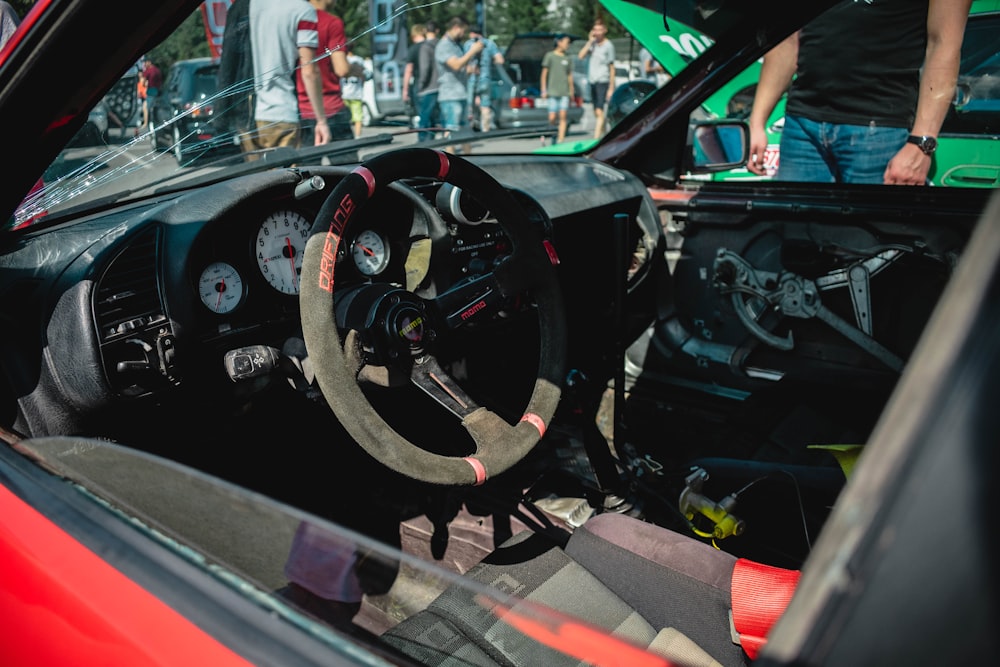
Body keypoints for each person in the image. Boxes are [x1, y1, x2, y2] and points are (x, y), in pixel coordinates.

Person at [747, 0, 971, 185]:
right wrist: (757, 122)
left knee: (867, 236)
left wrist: (922, 143)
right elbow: (787, 40)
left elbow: (944, 44)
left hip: (880, 132)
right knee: (796, 234)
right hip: (802, 126)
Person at [248, 0, 330, 152]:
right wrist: (321, 121)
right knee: (285, 176)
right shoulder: (302, 10)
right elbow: (309, 70)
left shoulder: (250, 4)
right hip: (281, 114)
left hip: (246, 117)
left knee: (255, 176)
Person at [296, 0, 352, 145]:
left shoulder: (294, 20)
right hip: (331, 108)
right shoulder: (331, 22)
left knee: (307, 167)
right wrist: (356, 70)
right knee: (345, 166)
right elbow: (342, 69)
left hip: (300, 111)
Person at [216, 0, 255, 151]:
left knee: (258, 167)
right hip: (285, 102)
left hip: (246, 102)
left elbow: (228, 64)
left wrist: (221, 116)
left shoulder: (239, 10)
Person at [578, 18, 616, 139]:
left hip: (602, 79)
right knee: (596, 111)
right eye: (595, 29)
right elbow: (580, 56)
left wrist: (611, 87)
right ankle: (605, 133)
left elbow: (612, 67)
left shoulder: (608, 46)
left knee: (599, 110)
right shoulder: (593, 44)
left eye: (600, 29)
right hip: (592, 80)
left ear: (604, 30)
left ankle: (596, 138)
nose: (597, 32)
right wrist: (590, 41)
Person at [463, 25, 504, 132]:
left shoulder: (468, 44)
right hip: (486, 79)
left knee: (470, 104)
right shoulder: (490, 43)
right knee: (485, 104)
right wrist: (491, 64)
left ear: (472, 33)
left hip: (471, 79)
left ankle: (470, 127)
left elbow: (463, 61)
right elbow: (500, 60)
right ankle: (485, 129)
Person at [541, 34, 575, 144]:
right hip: (552, 92)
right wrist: (543, 90)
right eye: (566, 42)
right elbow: (544, 74)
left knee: (563, 116)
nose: (568, 45)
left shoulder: (567, 58)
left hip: (564, 92)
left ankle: (561, 139)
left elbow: (569, 75)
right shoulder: (550, 56)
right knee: (552, 117)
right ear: (559, 42)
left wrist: (571, 90)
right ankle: (552, 135)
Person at [415, 21, 440, 141]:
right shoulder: (441, 45)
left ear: (425, 31)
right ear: (437, 31)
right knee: (436, 120)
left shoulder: (425, 47)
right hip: (442, 87)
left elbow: (425, 68)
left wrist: (420, 85)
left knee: (424, 119)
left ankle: (423, 145)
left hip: (428, 88)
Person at [402, 23, 427, 128]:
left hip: (418, 82)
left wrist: (405, 89)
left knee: (420, 110)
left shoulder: (413, 49)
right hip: (433, 83)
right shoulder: (431, 46)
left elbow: (409, 70)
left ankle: (423, 133)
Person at [341, 48, 367, 139]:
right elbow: (364, 75)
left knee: (344, 118)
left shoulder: (342, 60)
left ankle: (345, 136)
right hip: (356, 93)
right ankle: (357, 137)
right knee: (358, 118)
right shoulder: (359, 60)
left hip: (344, 93)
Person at [139, 57, 162, 131]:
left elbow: (142, 83)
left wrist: (145, 83)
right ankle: (150, 123)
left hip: (151, 92)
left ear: (149, 62)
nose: (144, 64)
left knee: (146, 108)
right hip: (158, 91)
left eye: (145, 62)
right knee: (153, 108)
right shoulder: (158, 70)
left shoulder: (148, 71)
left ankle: (146, 124)